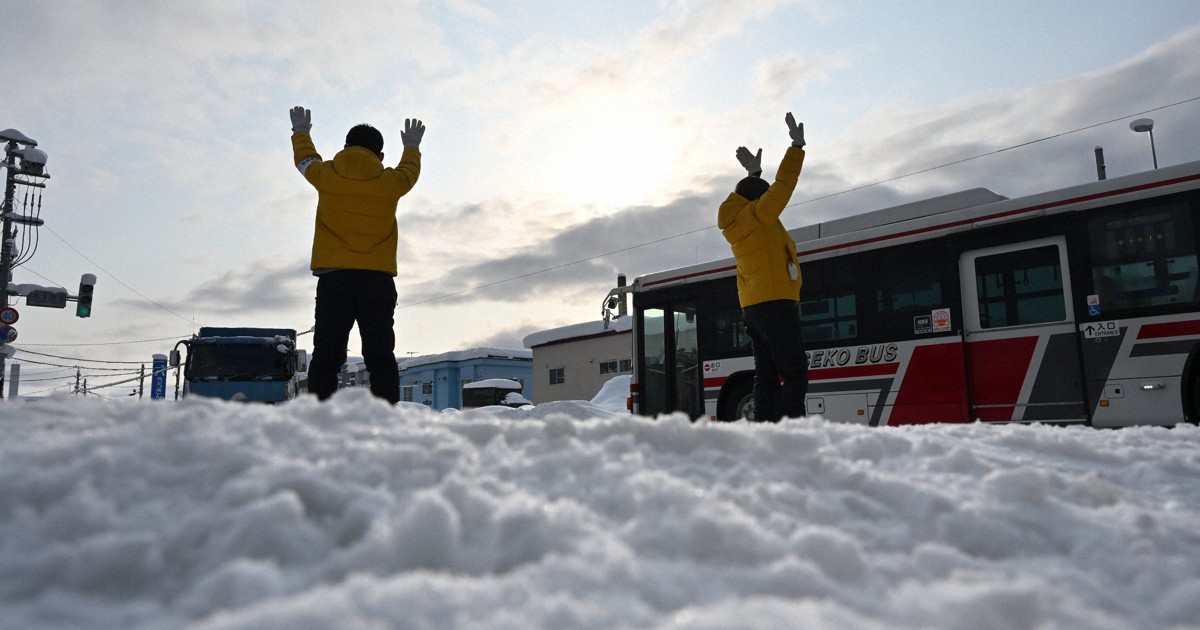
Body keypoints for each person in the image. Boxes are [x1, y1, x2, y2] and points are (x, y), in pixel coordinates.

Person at [289, 106, 424, 404]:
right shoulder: (391, 182)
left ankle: (320, 415)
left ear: (346, 147)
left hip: (334, 279)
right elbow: (410, 172)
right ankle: (385, 417)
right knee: (379, 355)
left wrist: (301, 133)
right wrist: (412, 148)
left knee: (327, 353)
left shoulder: (326, 175)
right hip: (377, 281)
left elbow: (304, 160)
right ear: (380, 156)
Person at [717, 112, 808, 421]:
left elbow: (754, 194)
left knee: (766, 373)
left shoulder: (738, 219)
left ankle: (766, 429)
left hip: (753, 306)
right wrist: (796, 147)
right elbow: (782, 186)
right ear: (759, 200)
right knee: (795, 371)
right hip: (775, 302)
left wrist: (754, 175)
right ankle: (792, 428)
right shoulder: (759, 215)